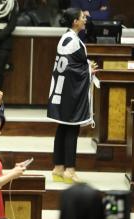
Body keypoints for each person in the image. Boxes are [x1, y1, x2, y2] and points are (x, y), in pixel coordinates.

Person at [47, 8, 98, 184]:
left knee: (62, 128)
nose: (85, 20)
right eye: (83, 17)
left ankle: (58, 168)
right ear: (75, 22)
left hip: (61, 91)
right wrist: (89, 70)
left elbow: (71, 65)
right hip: (70, 93)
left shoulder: (64, 38)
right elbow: (76, 69)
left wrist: (84, 67)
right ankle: (70, 170)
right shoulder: (75, 42)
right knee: (71, 129)